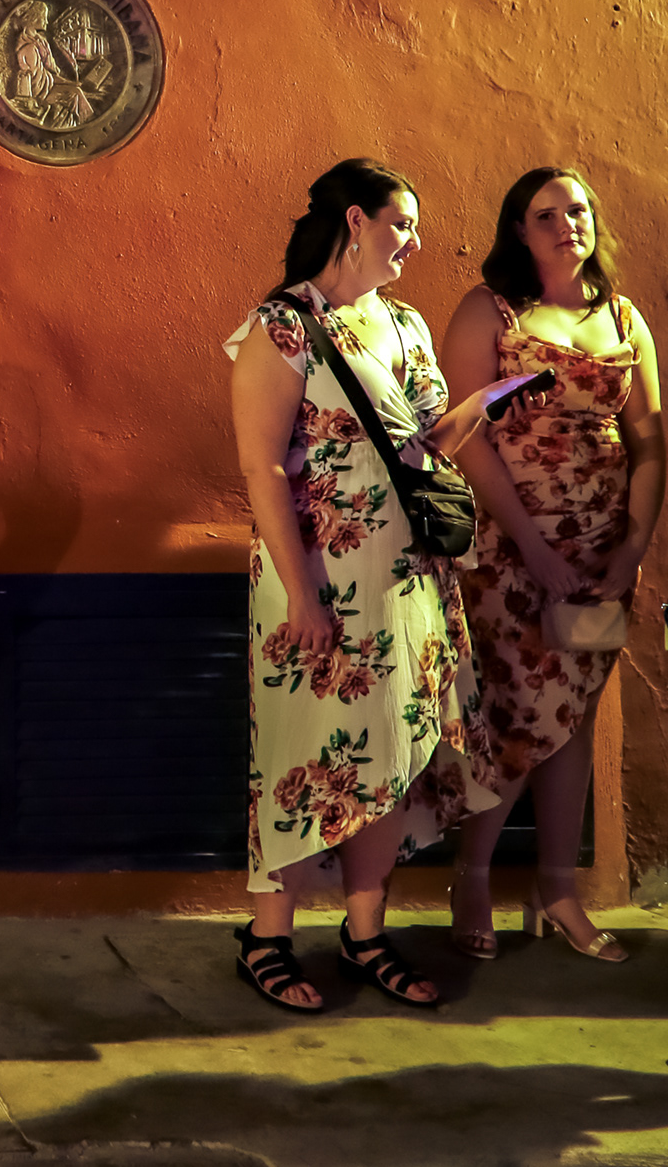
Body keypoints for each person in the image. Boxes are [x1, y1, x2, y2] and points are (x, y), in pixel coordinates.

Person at [227, 160, 530, 1014]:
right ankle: (267, 937)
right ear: (355, 221)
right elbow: (261, 468)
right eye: (403, 224)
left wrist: (490, 401)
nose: (416, 242)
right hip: (317, 577)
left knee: (390, 758)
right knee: (300, 754)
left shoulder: (403, 322)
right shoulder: (283, 325)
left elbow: (426, 443)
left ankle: (365, 936)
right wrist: (302, 595)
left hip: (406, 577)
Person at [441, 168, 662, 964]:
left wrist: (631, 548)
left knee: (573, 721)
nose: (567, 223)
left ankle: (557, 889)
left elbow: (649, 442)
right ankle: (471, 879)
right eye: (546, 214)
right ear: (519, 229)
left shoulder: (624, 317)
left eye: (577, 210)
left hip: (602, 552)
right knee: (516, 717)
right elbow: (465, 437)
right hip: (511, 549)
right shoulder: (489, 311)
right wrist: (533, 547)